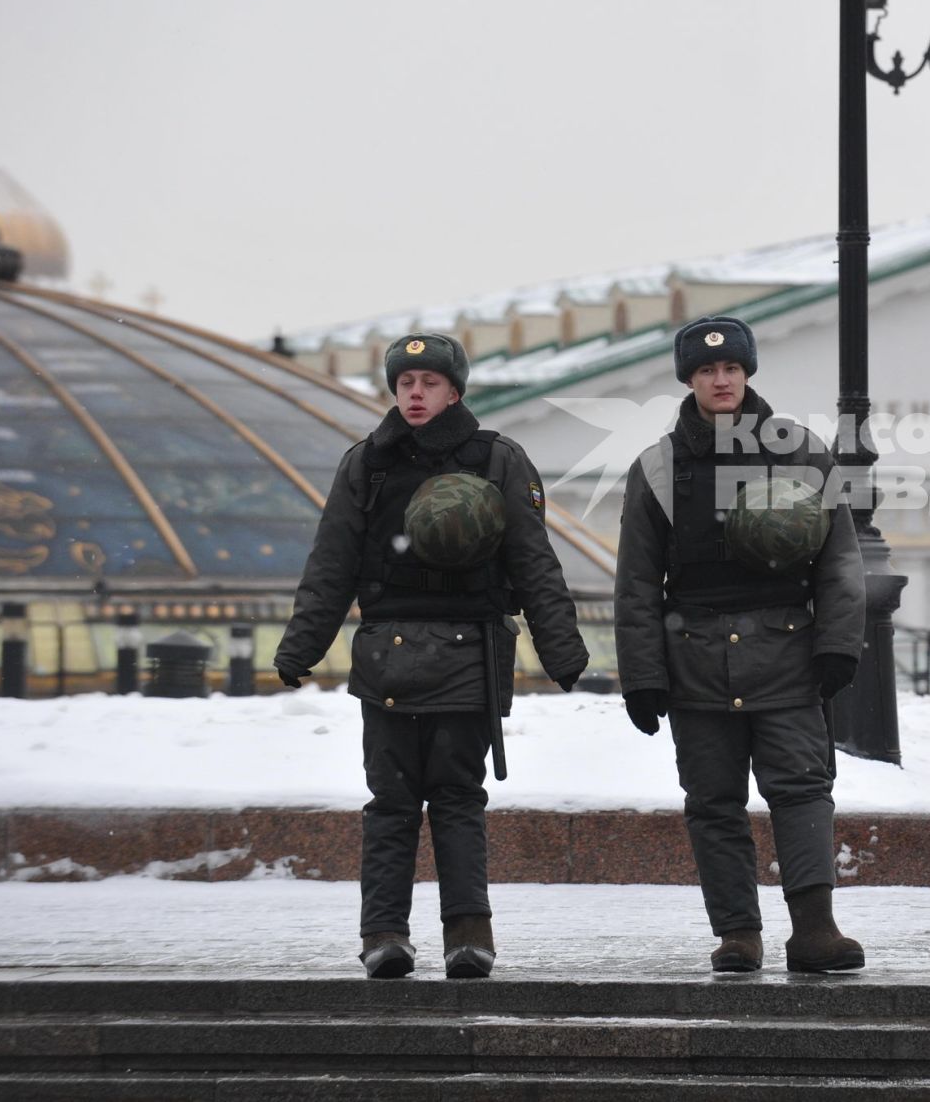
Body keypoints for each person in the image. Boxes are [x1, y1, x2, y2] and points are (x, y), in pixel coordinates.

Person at [274, 332, 590, 979]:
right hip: (388, 661)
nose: (415, 395)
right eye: (405, 384)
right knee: (390, 802)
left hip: (468, 658)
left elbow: (534, 564)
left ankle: (468, 937)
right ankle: (384, 936)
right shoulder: (366, 464)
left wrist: (565, 653)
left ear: (455, 391)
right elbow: (330, 565)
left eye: (429, 383)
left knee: (455, 797)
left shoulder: (498, 459)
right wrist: (299, 646)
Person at [613, 315, 868, 974]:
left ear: (747, 374)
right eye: (706, 370)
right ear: (690, 379)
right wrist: (641, 674)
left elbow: (839, 559)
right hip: (694, 660)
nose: (720, 380)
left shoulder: (803, 452)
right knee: (713, 803)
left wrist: (839, 644)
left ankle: (815, 930)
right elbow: (637, 582)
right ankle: (737, 934)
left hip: (786, 655)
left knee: (803, 791)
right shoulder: (658, 469)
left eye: (729, 369)